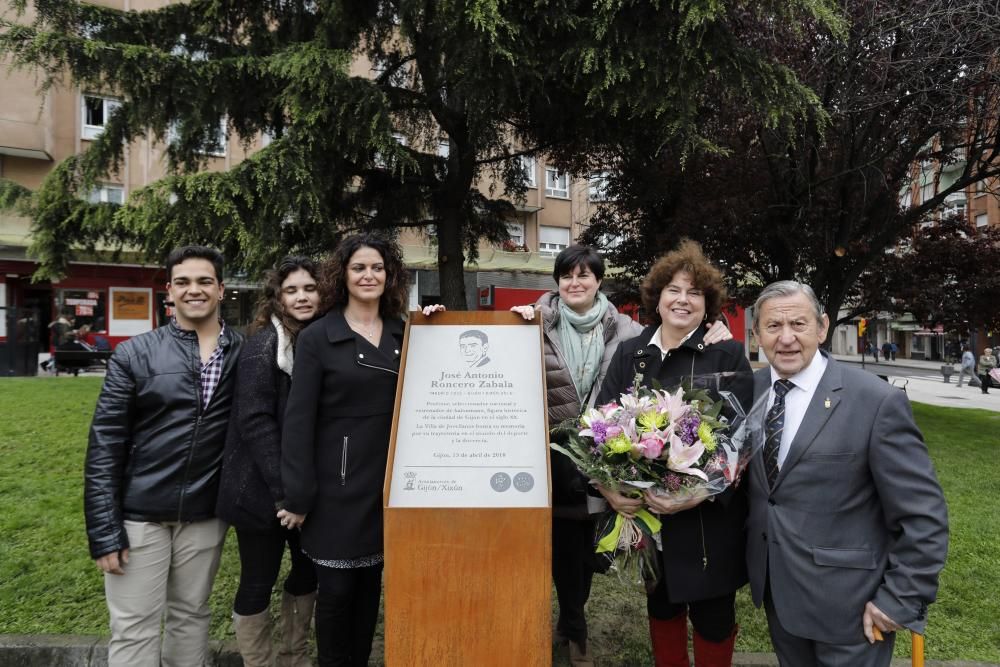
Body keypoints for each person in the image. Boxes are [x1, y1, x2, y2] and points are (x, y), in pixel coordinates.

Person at [746, 280, 948, 667]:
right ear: (757, 333)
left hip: (853, 610)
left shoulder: (876, 401)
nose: (786, 338)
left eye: (798, 325)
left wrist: (900, 600)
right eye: (773, 327)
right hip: (780, 598)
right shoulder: (749, 391)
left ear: (822, 328)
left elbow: (924, 516)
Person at [279, 233, 443, 666]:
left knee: (370, 591)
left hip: (388, 486)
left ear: (389, 276)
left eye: (377, 268)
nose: (368, 275)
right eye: (359, 268)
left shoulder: (404, 333)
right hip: (336, 489)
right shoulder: (318, 337)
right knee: (335, 594)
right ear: (343, 275)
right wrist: (297, 496)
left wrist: (437, 326)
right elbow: (297, 422)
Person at [84, 245, 243, 666]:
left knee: (191, 619)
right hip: (140, 516)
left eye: (205, 281)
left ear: (221, 289)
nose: (195, 290)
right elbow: (105, 445)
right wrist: (104, 530)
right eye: (184, 282)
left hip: (205, 514)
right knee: (134, 627)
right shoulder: (135, 353)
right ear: (169, 291)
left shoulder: (245, 353)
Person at [595, 240, 752, 666]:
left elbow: (741, 438)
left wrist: (699, 493)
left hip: (707, 520)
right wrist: (609, 489)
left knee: (713, 616)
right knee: (662, 606)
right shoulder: (631, 353)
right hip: (650, 517)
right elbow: (599, 425)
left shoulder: (727, 353)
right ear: (657, 297)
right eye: (674, 290)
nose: (683, 300)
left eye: (695, 292)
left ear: (708, 304)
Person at [216, 256, 321, 666]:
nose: (301, 297)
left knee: (307, 572)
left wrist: (301, 494)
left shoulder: (321, 339)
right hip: (261, 492)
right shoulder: (263, 344)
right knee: (257, 581)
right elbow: (255, 422)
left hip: (307, 491)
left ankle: (293, 656)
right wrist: (285, 496)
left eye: (309, 288)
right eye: (291, 290)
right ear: (277, 297)